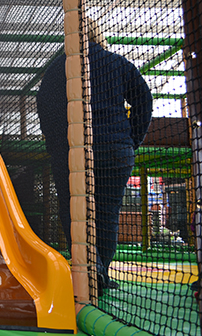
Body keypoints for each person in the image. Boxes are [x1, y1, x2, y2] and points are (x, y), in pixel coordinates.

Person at [36, 17, 153, 293]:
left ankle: (92, 268)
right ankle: (101, 269)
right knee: (107, 213)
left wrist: (57, 146)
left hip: (72, 151)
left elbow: (45, 108)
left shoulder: (57, 69)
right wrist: (130, 139)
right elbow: (143, 99)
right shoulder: (115, 62)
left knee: (74, 211)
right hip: (114, 148)